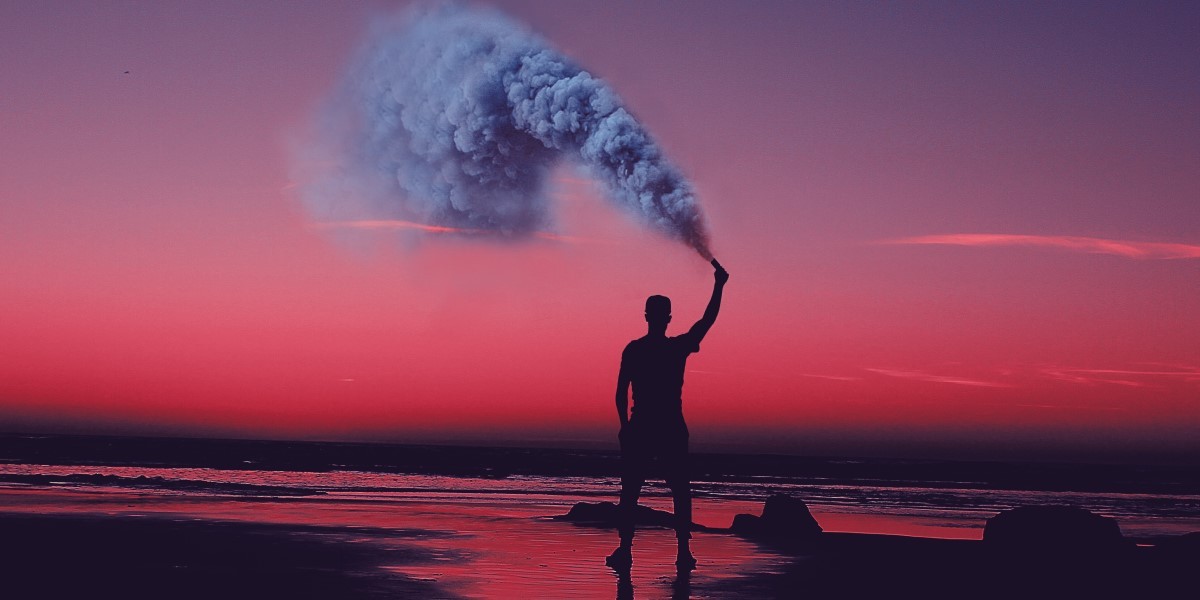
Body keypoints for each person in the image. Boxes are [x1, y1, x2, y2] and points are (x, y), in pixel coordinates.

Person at [606, 259, 729, 572]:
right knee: (679, 490)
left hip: (643, 427)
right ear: (668, 318)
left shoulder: (634, 350)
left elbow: (620, 393)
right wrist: (719, 285)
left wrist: (625, 427)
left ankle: (625, 551)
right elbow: (707, 320)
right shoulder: (676, 348)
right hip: (671, 427)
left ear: (647, 317)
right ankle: (683, 552)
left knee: (630, 491)